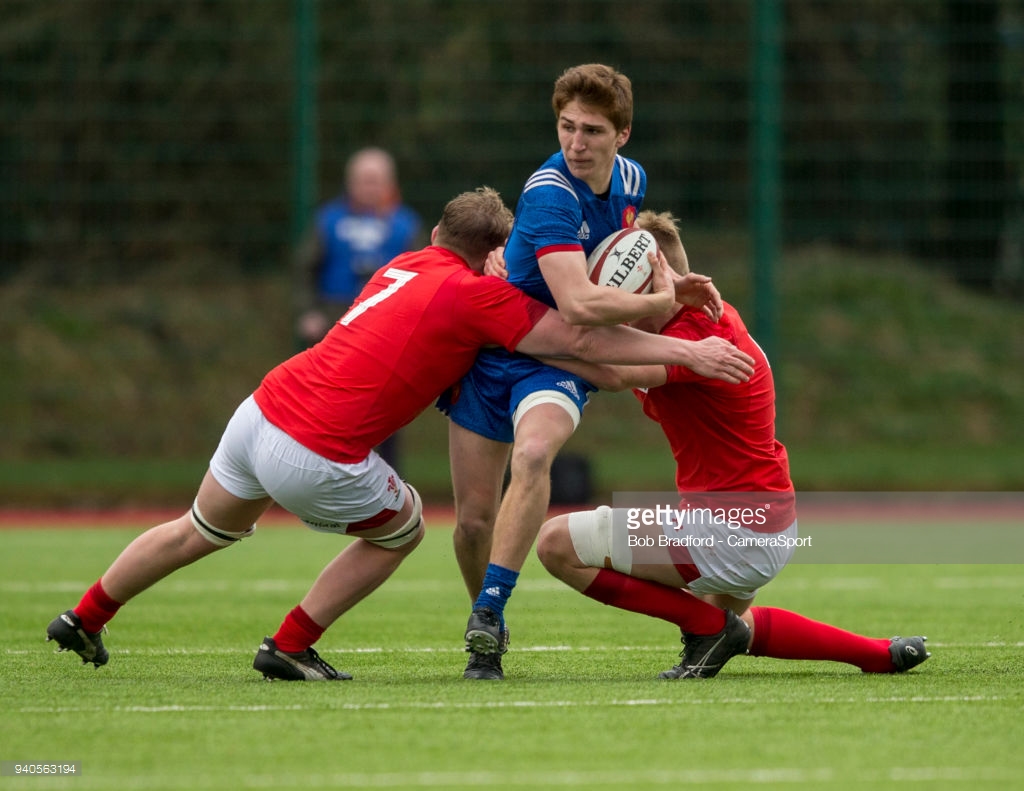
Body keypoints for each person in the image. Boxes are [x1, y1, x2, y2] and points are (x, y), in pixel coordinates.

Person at [45, 188, 756, 682]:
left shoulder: (401, 264)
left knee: (195, 528)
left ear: (435, 236)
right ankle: (292, 644)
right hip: (315, 448)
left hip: (260, 410)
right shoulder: (479, 293)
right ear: (491, 253)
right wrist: (682, 340)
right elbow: (579, 342)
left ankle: (86, 613)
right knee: (404, 527)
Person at [535, 209, 930, 679]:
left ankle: (708, 629)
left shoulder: (692, 338)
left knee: (556, 544)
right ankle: (879, 653)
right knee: (734, 622)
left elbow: (613, 370)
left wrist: (517, 335)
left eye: (627, 296)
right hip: (768, 520)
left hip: (728, 529)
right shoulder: (700, 318)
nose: (619, 310)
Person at [443, 64, 728, 680]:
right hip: (497, 352)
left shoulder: (631, 179)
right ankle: (484, 614)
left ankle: (487, 617)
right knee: (472, 522)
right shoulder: (549, 193)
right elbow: (579, 301)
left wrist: (668, 282)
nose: (577, 143)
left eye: (593, 131)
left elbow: (601, 277)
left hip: (563, 358)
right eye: (567, 127)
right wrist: (663, 301)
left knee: (536, 454)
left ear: (623, 134)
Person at [293, 147, 422, 469]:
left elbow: (425, 278)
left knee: (387, 411)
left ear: (390, 183)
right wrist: (308, 311)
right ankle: (320, 476)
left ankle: (390, 482)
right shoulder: (328, 221)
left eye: (376, 180)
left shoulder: (406, 226)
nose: (370, 187)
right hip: (335, 328)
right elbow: (304, 270)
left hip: (388, 332)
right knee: (329, 409)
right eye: (364, 180)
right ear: (350, 183)